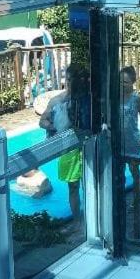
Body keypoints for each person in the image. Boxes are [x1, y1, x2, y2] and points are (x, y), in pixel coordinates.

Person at [39, 64, 90, 224]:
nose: (69, 82)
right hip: (68, 149)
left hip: (87, 145)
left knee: (90, 185)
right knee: (73, 187)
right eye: (68, 79)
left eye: (73, 79)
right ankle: (77, 221)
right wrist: (57, 127)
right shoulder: (58, 101)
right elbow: (42, 122)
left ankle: (92, 221)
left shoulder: (89, 99)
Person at [120, 65, 140, 189]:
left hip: (132, 140)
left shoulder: (138, 99)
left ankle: (137, 198)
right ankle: (121, 198)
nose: (122, 84)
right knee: (119, 172)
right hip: (118, 141)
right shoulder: (115, 97)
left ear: (133, 82)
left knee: (134, 170)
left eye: (125, 82)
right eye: (120, 81)